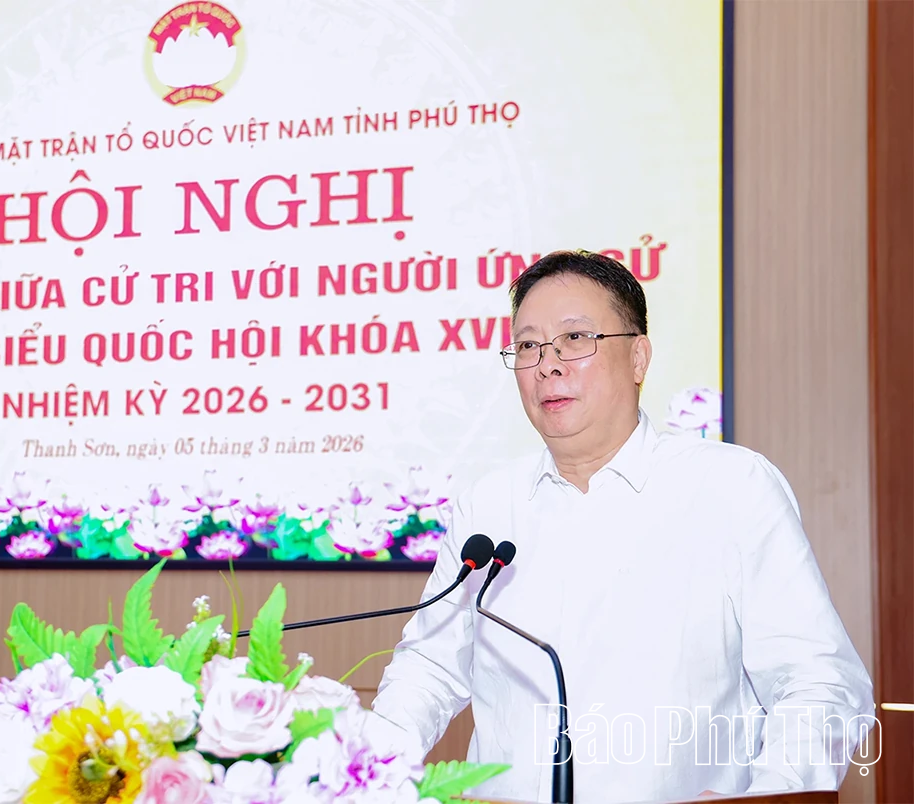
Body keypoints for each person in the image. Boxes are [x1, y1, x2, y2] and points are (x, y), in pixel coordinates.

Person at [371, 251, 874, 802]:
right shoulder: (488, 506)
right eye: (529, 346)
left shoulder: (731, 488)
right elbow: (428, 669)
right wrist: (363, 775)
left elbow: (819, 680)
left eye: (575, 339)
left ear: (638, 357)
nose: (548, 365)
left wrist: (766, 798)